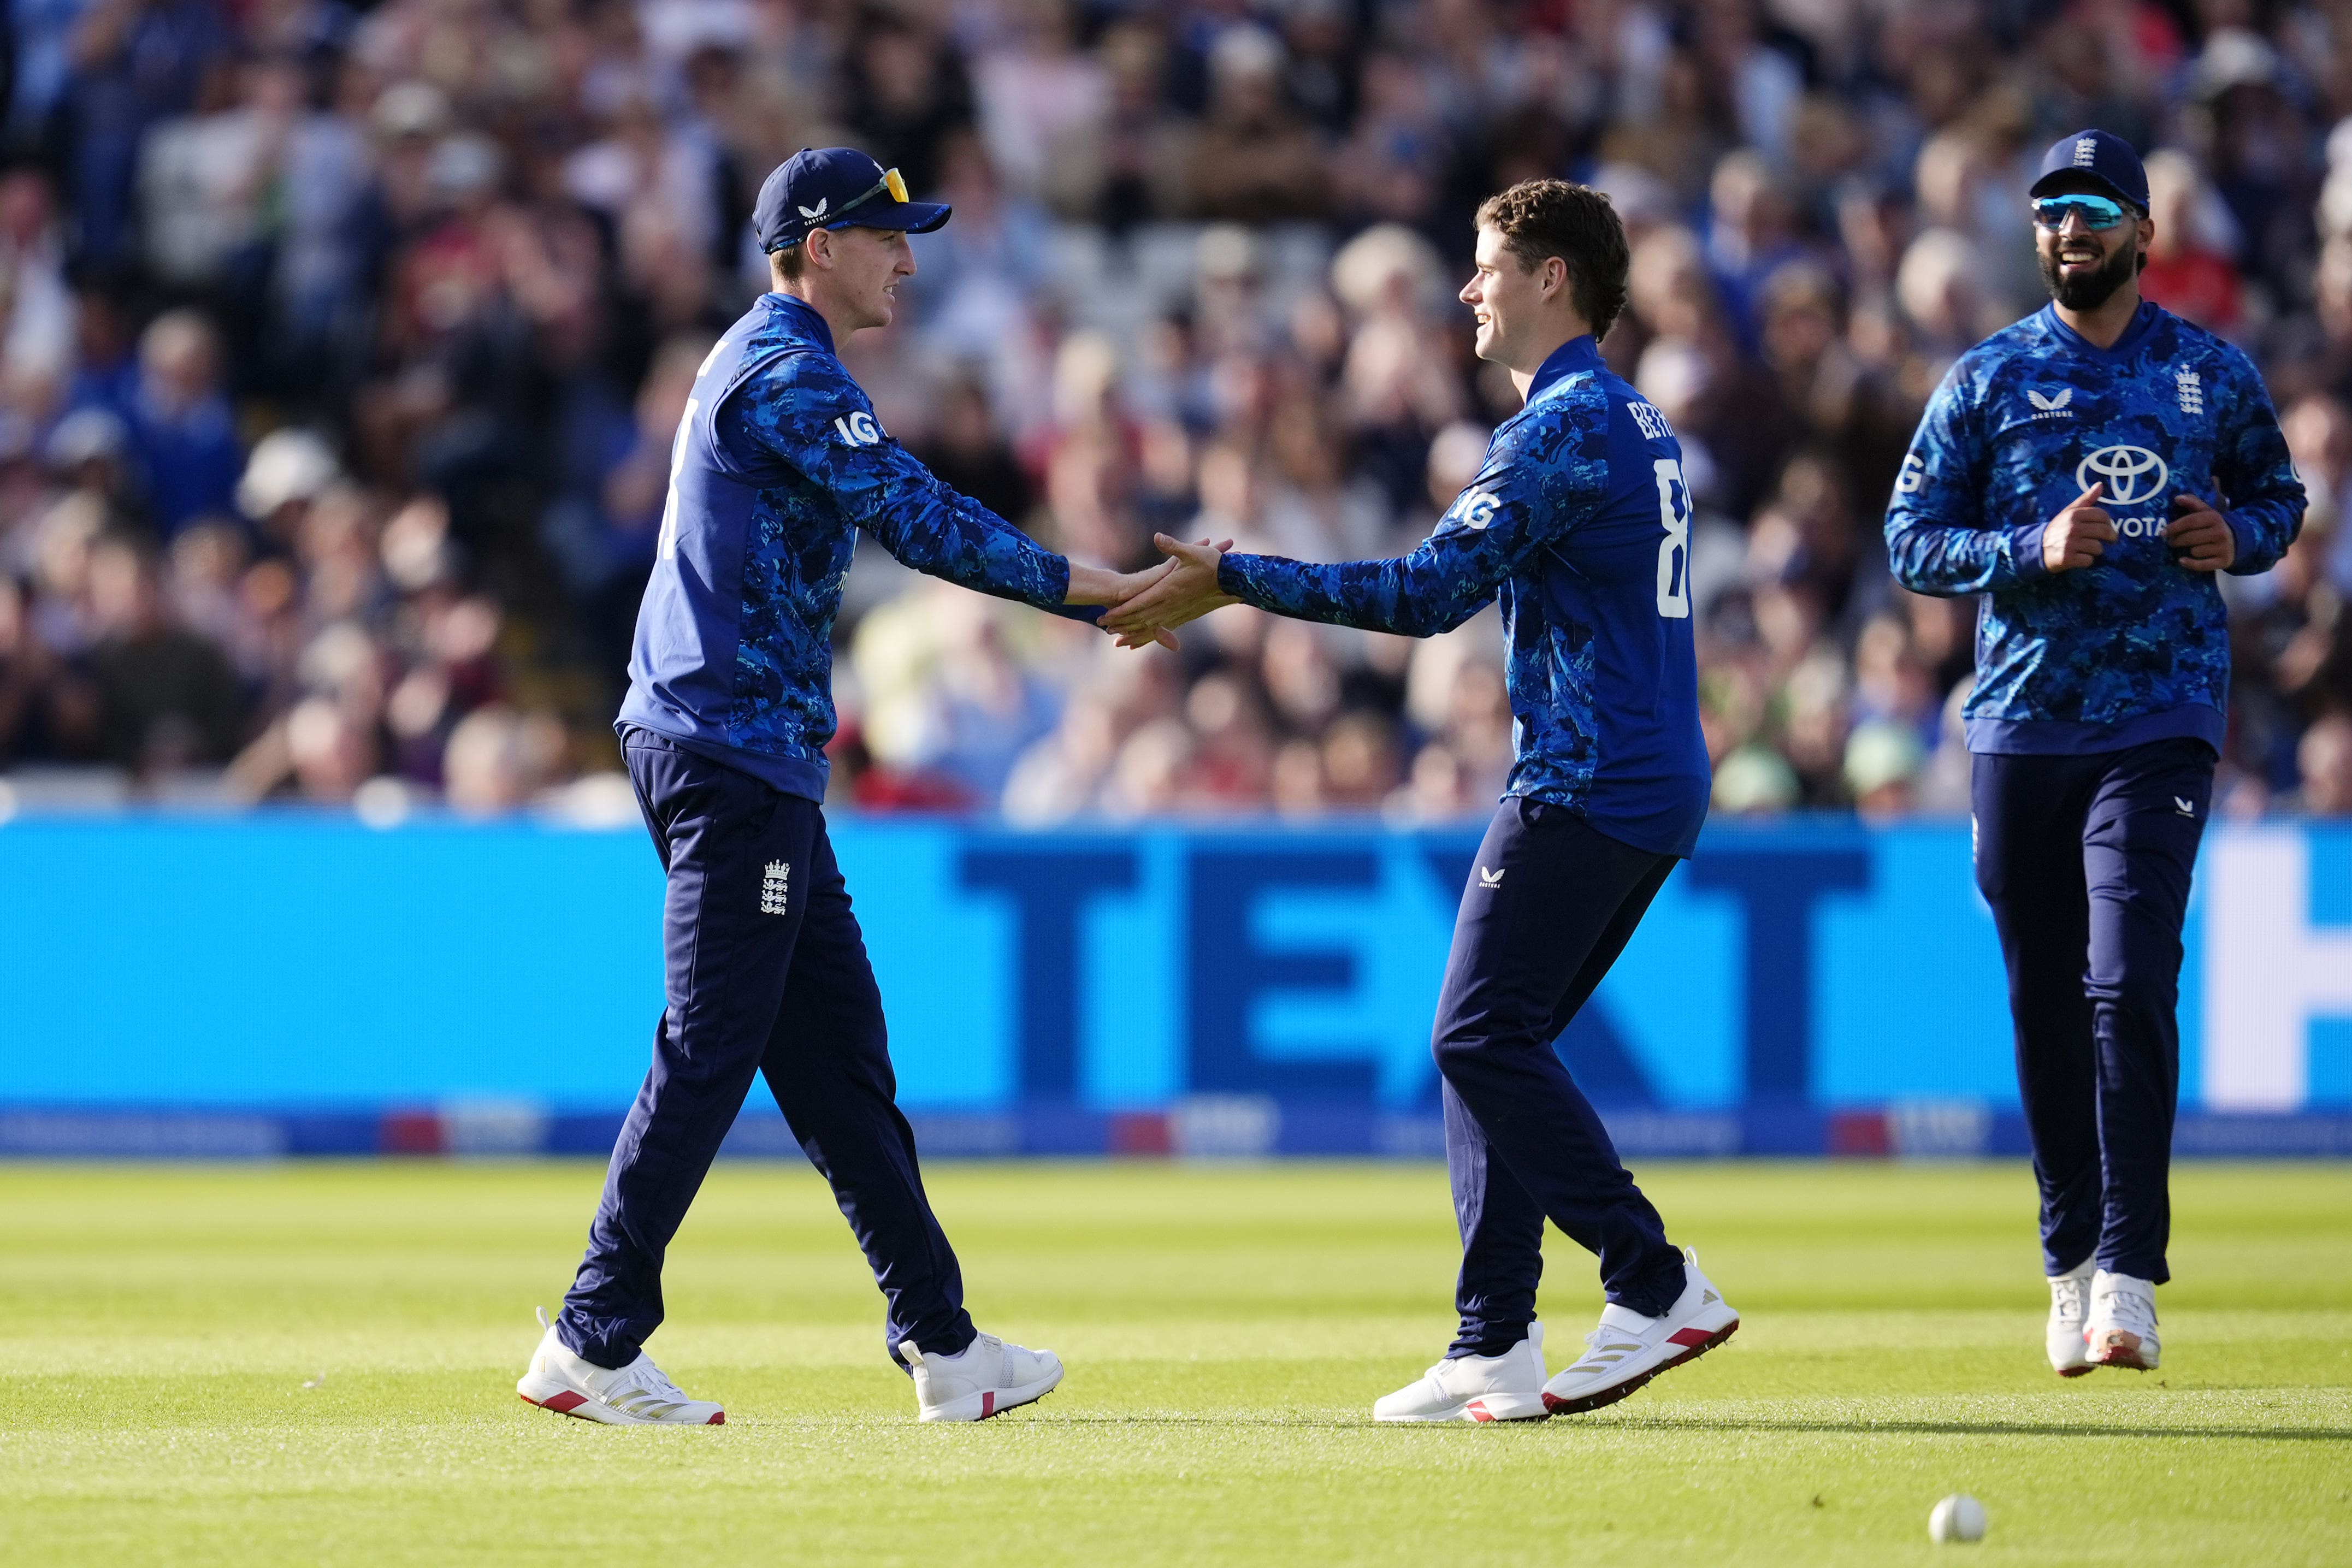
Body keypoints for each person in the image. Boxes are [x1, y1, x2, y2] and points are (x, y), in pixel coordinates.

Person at [517, 148, 1169, 1426]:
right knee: (711, 1043)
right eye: (886, 236)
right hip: (731, 749)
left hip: (737, 748)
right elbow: (927, 522)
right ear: (817, 243)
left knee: (837, 1065)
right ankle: (592, 1336)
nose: (908, 259)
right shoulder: (787, 375)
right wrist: (1108, 592)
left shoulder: (762, 360)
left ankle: (942, 1342)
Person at [1107, 179, 1740, 1423]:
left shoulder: (1559, 426)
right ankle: (1493, 1342)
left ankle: (1653, 1277)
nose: (1467, 288)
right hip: (1646, 767)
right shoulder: (1632, 420)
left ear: (1551, 277)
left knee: (1474, 1036)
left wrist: (1236, 575)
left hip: (1586, 773)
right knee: (1496, 1042)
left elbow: (1422, 595)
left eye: (1485, 263)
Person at [1882, 131, 2304, 1377]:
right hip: (2019, 718)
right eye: (2050, 212)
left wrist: (2237, 532)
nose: (2070, 230)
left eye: (2093, 210)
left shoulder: (2206, 372)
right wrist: (2024, 548)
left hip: (2160, 713)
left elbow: (2279, 501)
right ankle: (2067, 1261)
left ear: (2139, 231)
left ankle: (2127, 1272)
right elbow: (1911, 539)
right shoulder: (1987, 376)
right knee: (2044, 1002)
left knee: (2126, 980)